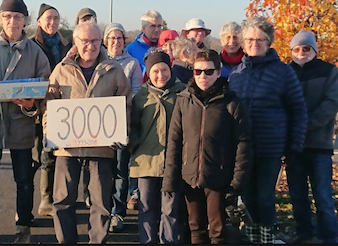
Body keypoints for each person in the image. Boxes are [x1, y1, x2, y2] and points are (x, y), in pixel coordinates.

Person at [0, 0, 51, 244]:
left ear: (25, 20)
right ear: (0, 19)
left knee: (24, 180)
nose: (12, 21)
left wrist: (32, 103)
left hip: (21, 123)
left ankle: (23, 227)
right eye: (7, 16)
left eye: (17, 16)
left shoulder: (36, 52)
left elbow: (45, 84)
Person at [44, 22, 132, 244]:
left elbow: (126, 105)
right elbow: (49, 105)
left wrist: (121, 131)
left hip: (102, 147)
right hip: (66, 148)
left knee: (101, 203)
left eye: (94, 41)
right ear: (76, 41)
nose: (90, 46)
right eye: (85, 41)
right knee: (62, 200)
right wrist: (50, 132)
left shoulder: (114, 70)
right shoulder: (61, 69)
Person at [228, 16, 308, 244]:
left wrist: (293, 146)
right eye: (250, 39)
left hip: (270, 147)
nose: (255, 43)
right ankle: (253, 238)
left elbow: (298, 110)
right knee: (248, 198)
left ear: (269, 42)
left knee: (264, 198)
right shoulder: (236, 75)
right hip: (242, 149)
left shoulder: (283, 72)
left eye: (260, 39)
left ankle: (268, 239)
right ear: (243, 42)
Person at [163, 49, 253, 244]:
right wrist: (170, 179)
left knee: (218, 230)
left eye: (209, 71)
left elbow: (243, 143)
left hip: (218, 178)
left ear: (219, 72)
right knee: (195, 227)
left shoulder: (231, 102)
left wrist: (237, 181)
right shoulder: (183, 99)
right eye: (198, 71)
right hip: (190, 177)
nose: (203, 76)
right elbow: (175, 141)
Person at [287, 30, 338, 244]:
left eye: (307, 48)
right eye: (297, 49)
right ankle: (305, 235)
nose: (302, 52)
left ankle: (328, 236)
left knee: (322, 195)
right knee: (298, 196)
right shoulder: (286, 72)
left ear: (315, 50)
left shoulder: (329, 72)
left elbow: (331, 104)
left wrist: (304, 126)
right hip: (294, 147)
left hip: (319, 144)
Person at [128, 50, 186, 243]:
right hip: (145, 161)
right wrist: (135, 145)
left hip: (173, 162)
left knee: (170, 209)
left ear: (170, 69)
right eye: (155, 71)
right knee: (147, 208)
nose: (160, 75)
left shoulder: (182, 94)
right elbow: (132, 125)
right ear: (148, 73)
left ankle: (168, 241)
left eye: (164, 70)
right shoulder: (141, 97)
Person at [29, 3, 72, 218]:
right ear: (39, 21)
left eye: (56, 18)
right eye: (48, 18)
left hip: (62, 106)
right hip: (37, 107)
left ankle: (54, 197)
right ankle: (42, 198)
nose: (52, 22)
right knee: (39, 155)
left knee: (57, 154)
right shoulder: (31, 45)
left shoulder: (68, 45)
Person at [102, 22, 142, 232]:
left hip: (121, 123)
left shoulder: (132, 63)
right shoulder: (98, 60)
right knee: (100, 170)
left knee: (120, 170)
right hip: (98, 125)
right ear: (105, 40)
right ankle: (101, 209)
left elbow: (136, 91)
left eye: (119, 38)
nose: (115, 41)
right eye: (111, 38)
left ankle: (117, 212)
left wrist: (118, 107)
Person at [126, 10, 164, 74]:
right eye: (153, 26)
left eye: (159, 26)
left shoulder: (165, 47)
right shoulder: (131, 49)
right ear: (144, 28)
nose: (157, 30)